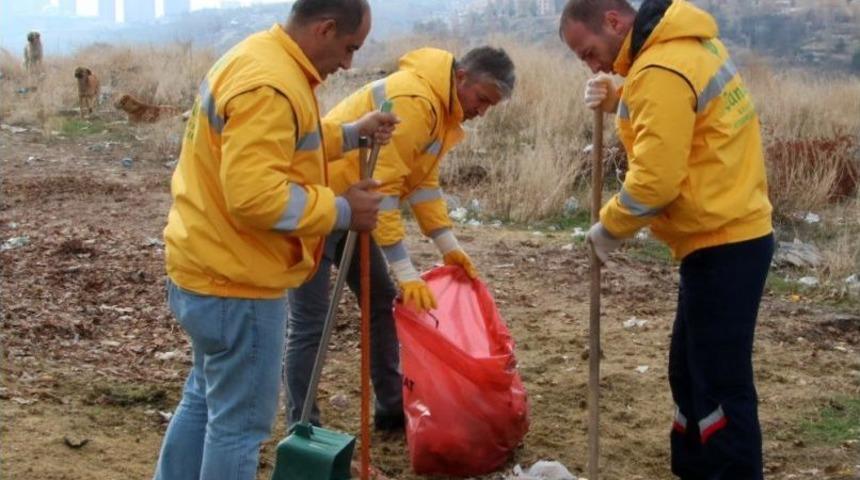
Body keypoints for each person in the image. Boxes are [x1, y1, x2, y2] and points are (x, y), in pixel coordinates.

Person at [153, 1, 399, 478]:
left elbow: (288, 142)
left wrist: (349, 135)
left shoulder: (259, 59)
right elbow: (256, 197)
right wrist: (343, 209)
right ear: (325, 28)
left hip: (201, 267)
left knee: (204, 399)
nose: (348, 63)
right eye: (349, 48)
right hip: (237, 284)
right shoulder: (271, 84)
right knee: (239, 428)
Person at [559, 0, 774, 478]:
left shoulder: (659, 67)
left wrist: (607, 229)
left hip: (724, 241)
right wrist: (621, 96)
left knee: (719, 384)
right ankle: (695, 468)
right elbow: (681, 115)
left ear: (614, 22)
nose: (591, 63)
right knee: (689, 372)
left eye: (588, 51)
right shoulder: (683, 45)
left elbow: (655, 182)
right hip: (723, 237)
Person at [283, 46, 516, 430]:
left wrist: (448, 245)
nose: (482, 111)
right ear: (462, 78)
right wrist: (405, 269)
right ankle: (301, 426)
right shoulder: (416, 100)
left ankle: (392, 407)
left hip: (353, 211)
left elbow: (422, 183)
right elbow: (384, 189)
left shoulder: (441, 112)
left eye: (491, 105)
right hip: (318, 204)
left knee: (380, 303)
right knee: (310, 322)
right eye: (482, 99)